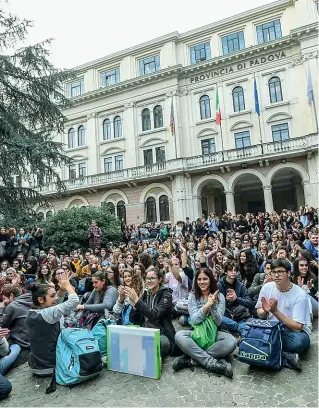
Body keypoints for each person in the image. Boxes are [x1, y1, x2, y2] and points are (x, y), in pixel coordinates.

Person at [173, 268, 236, 378]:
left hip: (214, 332)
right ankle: (212, 364)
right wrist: (207, 306)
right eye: (199, 279)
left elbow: (218, 322)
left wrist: (213, 307)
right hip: (197, 333)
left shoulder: (220, 297)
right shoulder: (193, 296)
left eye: (205, 279)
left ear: (211, 280)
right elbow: (194, 320)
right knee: (179, 335)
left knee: (231, 341)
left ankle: (192, 359)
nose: (202, 282)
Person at [256, 259, 312, 371]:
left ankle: (259, 346)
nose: (276, 275)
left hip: (293, 333)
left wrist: (275, 311)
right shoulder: (267, 287)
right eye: (273, 272)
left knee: (299, 343)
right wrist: (266, 311)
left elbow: (297, 327)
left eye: (280, 272)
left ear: (289, 273)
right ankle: (286, 357)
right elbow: (259, 313)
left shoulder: (300, 295)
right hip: (273, 329)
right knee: (244, 327)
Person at [26, 272, 79, 376]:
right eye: (52, 296)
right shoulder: (46, 314)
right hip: (51, 367)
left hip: (37, 366)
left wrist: (62, 290)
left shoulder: (34, 312)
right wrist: (68, 286)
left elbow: (55, 303)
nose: (55, 298)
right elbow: (74, 301)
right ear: (40, 300)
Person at [128, 268, 176, 358]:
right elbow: (132, 319)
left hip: (161, 334)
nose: (149, 281)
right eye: (147, 278)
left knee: (159, 344)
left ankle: (142, 355)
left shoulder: (166, 295)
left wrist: (137, 300)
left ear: (160, 279)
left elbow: (154, 315)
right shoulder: (146, 294)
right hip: (145, 332)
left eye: (152, 278)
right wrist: (135, 304)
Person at [218, 262, 255, 333]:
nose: (233, 272)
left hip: (239, 315)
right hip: (225, 315)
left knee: (247, 328)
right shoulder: (219, 285)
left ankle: (237, 327)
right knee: (219, 318)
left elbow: (250, 302)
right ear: (226, 272)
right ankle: (237, 327)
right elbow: (216, 306)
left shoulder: (240, 285)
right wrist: (226, 300)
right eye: (231, 270)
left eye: (235, 270)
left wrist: (236, 299)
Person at [2, 284, 32, 352]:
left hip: (20, 346)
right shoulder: (30, 301)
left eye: (4, 299)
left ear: (12, 296)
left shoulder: (12, 306)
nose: (3, 302)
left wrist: (1, 309)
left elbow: (2, 326)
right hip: (33, 345)